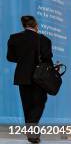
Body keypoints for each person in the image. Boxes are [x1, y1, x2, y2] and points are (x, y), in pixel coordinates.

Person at [6, 15, 53, 144]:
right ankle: (32, 132)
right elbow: (48, 59)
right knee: (39, 103)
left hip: (22, 76)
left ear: (24, 25)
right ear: (36, 25)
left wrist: (24, 61)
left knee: (27, 105)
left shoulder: (14, 38)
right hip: (40, 78)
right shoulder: (44, 40)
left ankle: (31, 133)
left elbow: (10, 57)